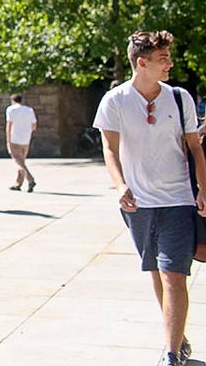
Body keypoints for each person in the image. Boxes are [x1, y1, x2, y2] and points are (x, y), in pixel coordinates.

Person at [94, 30, 206, 366]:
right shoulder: (114, 101)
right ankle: (178, 337)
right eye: (163, 59)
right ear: (142, 63)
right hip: (139, 205)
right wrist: (119, 186)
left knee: (174, 274)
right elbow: (109, 149)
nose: (170, 64)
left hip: (178, 200)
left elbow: (195, 147)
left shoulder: (180, 98)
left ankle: (171, 354)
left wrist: (203, 188)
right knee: (157, 272)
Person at [5, 93, 37, 192]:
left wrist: (8, 140)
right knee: (22, 161)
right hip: (26, 139)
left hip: (15, 138)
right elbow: (34, 125)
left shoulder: (11, 109)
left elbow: (9, 125)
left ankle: (30, 179)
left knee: (18, 161)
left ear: (12, 101)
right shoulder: (29, 110)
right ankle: (18, 183)